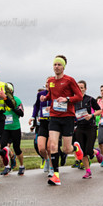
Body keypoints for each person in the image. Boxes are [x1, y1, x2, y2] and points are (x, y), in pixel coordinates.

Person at [40, 55, 84, 186]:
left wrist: (67, 99)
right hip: (54, 116)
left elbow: (79, 96)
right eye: (55, 65)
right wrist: (45, 98)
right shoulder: (51, 80)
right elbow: (51, 94)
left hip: (67, 117)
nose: (56, 67)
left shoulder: (69, 80)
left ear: (63, 67)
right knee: (53, 146)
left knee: (66, 149)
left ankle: (75, 148)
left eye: (59, 65)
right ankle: (56, 176)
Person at [74, 80, 103, 179]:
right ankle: (88, 171)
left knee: (89, 150)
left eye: (82, 88)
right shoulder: (74, 101)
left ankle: (97, 152)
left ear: (85, 89)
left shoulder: (90, 99)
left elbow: (99, 110)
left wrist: (91, 115)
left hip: (90, 127)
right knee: (82, 151)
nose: (80, 89)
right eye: (78, 87)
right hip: (79, 128)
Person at [0, 82, 25, 176]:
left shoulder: (17, 100)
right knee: (3, 148)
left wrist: (13, 107)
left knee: (17, 148)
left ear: (12, 91)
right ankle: (7, 166)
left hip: (15, 127)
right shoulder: (0, 100)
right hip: (5, 128)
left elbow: (21, 113)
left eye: (9, 90)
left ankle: (21, 166)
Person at [30, 82, 55, 176]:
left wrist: (52, 108)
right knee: (41, 148)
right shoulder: (40, 94)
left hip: (53, 123)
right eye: (46, 83)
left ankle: (52, 168)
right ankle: (46, 159)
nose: (48, 85)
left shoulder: (56, 94)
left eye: (50, 83)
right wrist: (33, 117)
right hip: (43, 123)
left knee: (49, 148)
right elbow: (36, 106)